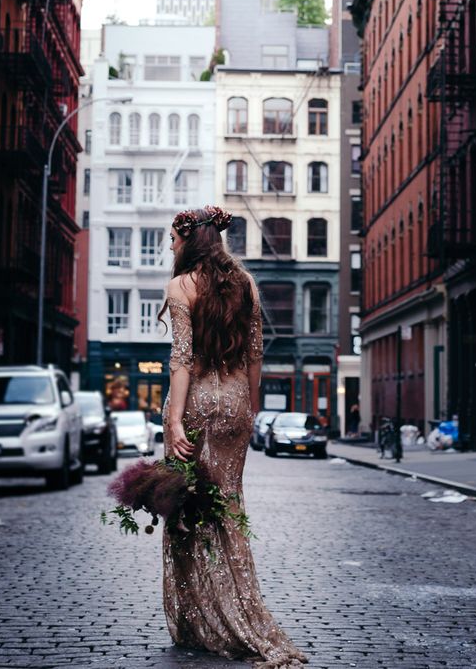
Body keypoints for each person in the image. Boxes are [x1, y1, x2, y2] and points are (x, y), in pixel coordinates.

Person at [159, 206, 308, 668]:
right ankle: (241, 610)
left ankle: (198, 621)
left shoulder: (180, 287)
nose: (170, 245)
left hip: (198, 400)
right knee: (228, 503)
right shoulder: (245, 284)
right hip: (237, 402)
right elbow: (256, 354)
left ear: (189, 239)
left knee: (185, 507)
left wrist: (176, 421)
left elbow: (182, 360)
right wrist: (251, 406)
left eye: (173, 238)